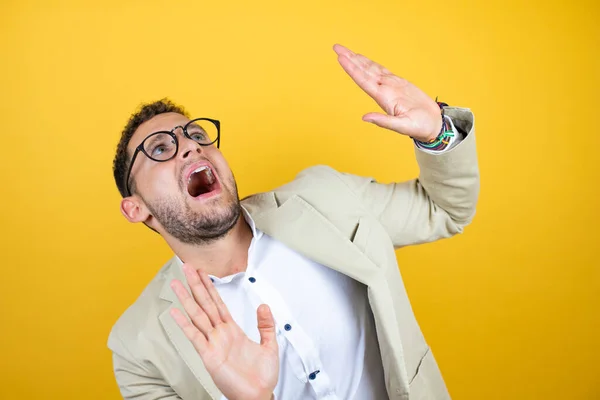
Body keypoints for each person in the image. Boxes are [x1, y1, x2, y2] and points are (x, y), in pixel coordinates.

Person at [107, 44, 480, 400]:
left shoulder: (323, 196)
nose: (190, 146)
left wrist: (437, 130)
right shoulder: (137, 349)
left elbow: (444, 210)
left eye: (197, 134)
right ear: (136, 208)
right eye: (159, 148)